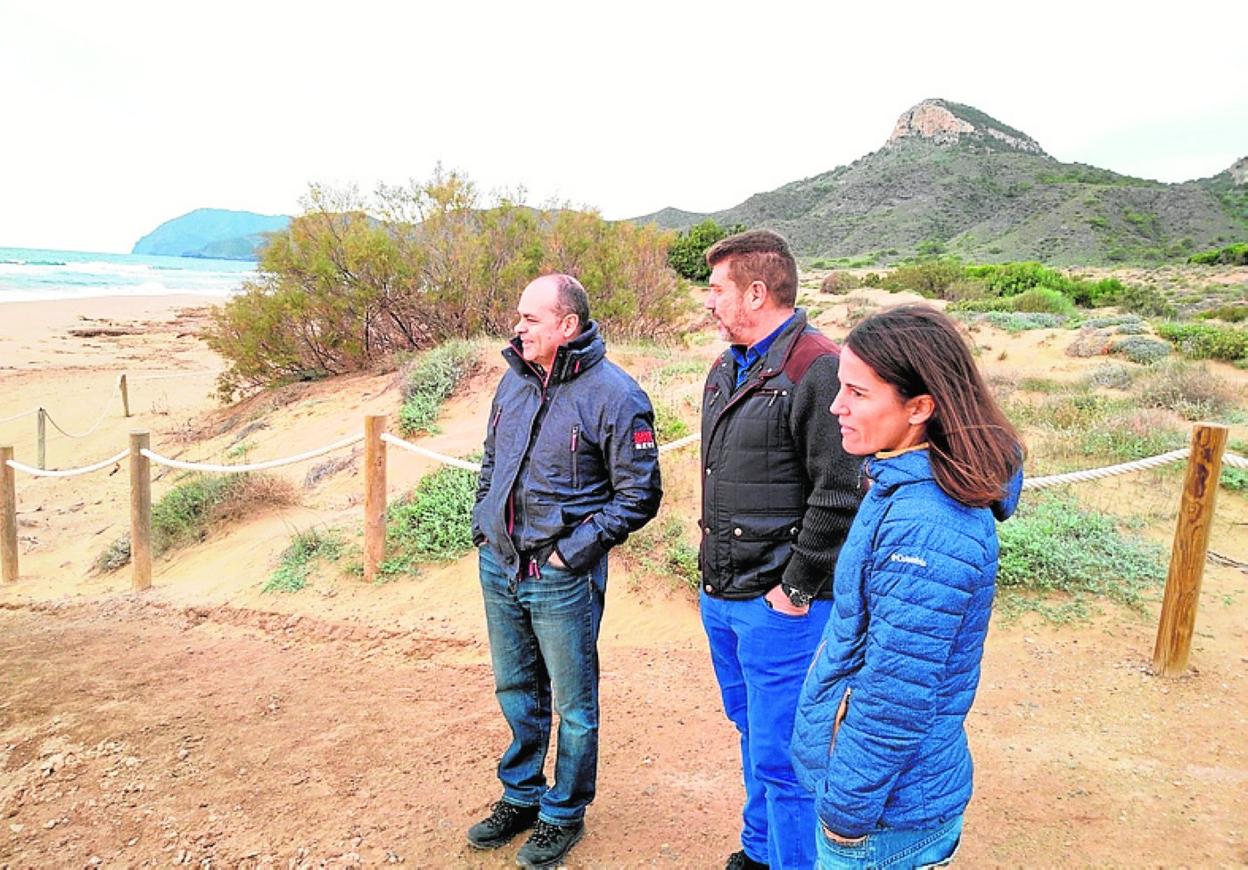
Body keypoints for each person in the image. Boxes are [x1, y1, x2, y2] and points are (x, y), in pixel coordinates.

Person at [791, 304, 1025, 869]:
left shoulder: (927, 524)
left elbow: (895, 698)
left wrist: (845, 816)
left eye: (857, 393)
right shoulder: (900, 479)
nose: (837, 406)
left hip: (884, 820)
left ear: (919, 407)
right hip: (893, 800)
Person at [467, 273, 663, 869]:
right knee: (515, 688)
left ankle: (564, 812)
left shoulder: (616, 395)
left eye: (531, 319)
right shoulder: (514, 379)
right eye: (519, 317)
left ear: (567, 325)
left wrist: (570, 554)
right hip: (500, 564)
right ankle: (522, 795)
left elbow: (640, 495)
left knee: (574, 706)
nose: (518, 327)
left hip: (561, 576)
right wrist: (484, 523)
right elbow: (492, 459)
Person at [698, 229, 863, 870]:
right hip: (725, 594)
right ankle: (761, 848)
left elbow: (840, 492)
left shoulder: (817, 367)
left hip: (784, 608)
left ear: (756, 292)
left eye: (717, 289)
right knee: (752, 731)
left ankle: (792, 860)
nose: (709, 302)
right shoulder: (726, 367)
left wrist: (794, 589)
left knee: (788, 756)